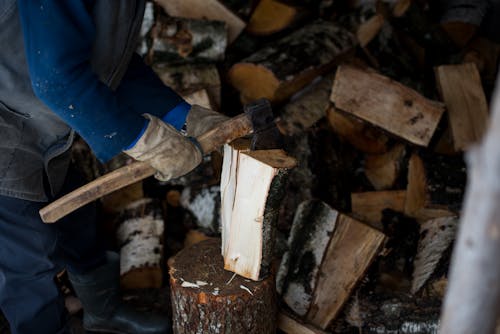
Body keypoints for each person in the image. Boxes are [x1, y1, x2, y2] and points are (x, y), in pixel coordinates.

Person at [0, 1, 227, 333]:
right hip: (5, 129)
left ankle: (102, 313)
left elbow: (106, 60)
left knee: (78, 220)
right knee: (26, 263)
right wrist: (142, 139)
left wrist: (180, 115)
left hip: (34, 126)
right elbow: (57, 79)